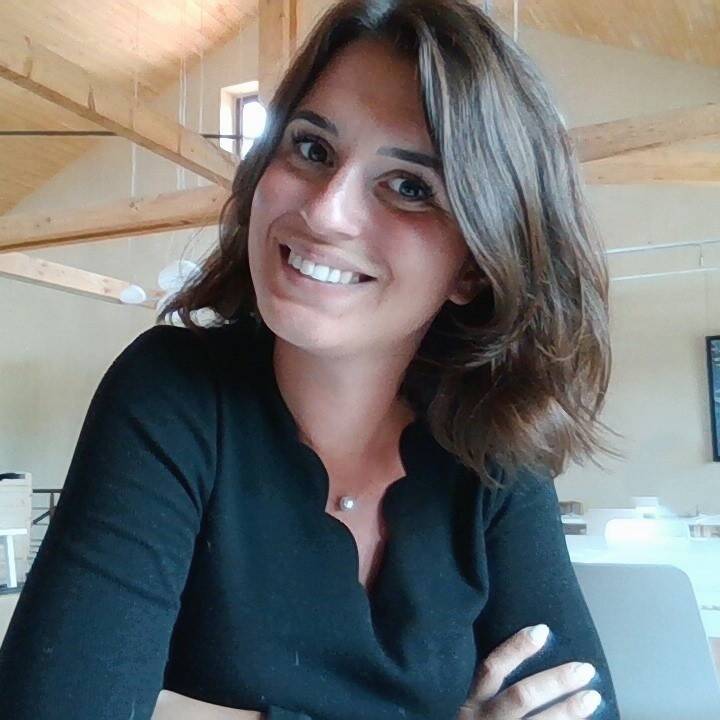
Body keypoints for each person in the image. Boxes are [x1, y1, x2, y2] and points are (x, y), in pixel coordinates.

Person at [0, 0, 621, 718]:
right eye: (313, 149)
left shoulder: (494, 448)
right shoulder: (173, 391)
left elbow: (581, 706)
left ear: (476, 268)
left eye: (411, 188)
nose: (325, 212)